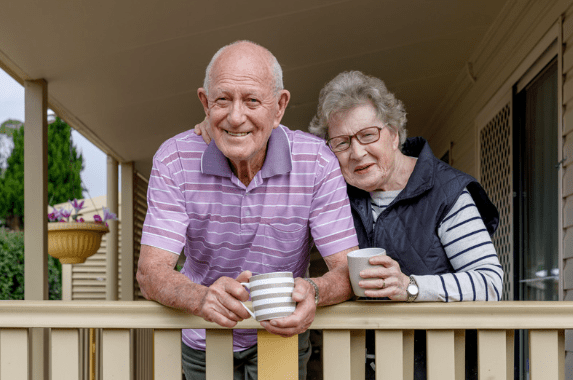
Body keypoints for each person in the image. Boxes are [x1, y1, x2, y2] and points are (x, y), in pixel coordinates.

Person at [136, 41, 359, 380]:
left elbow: (346, 271)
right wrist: (201, 299)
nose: (236, 116)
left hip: (280, 333)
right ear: (205, 103)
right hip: (204, 333)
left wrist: (314, 291)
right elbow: (150, 274)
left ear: (280, 106)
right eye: (223, 100)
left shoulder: (316, 162)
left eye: (252, 100)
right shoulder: (174, 159)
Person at [308, 71, 503, 379]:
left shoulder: (446, 192)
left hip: (440, 367)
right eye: (341, 142)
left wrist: (411, 287)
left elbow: (490, 283)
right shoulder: (335, 197)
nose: (357, 152)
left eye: (368, 135)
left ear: (394, 133)